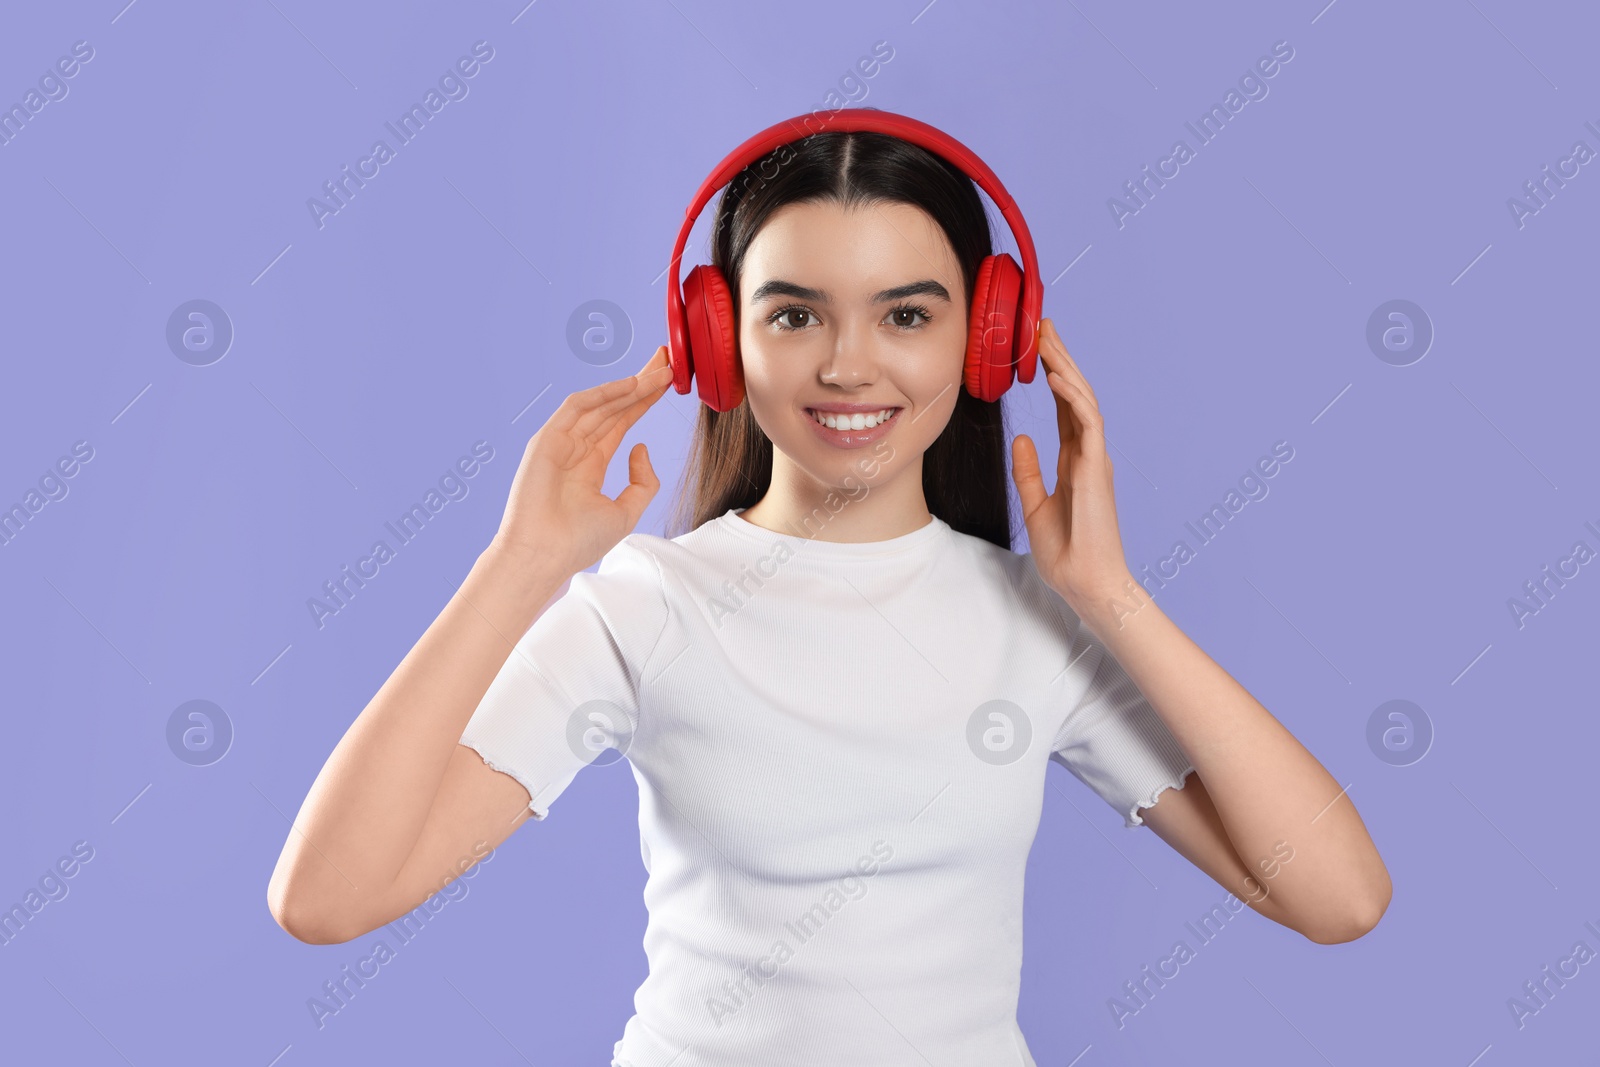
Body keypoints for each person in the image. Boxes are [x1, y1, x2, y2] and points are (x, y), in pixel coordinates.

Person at [267, 113, 1391, 1066]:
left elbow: (1336, 897)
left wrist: (1110, 595)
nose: (849, 364)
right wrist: (519, 565)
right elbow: (326, 899)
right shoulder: (647, 605)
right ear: (717, 343)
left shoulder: (1039, 621)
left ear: (986, 338)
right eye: (794, 314)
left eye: (906, 314)